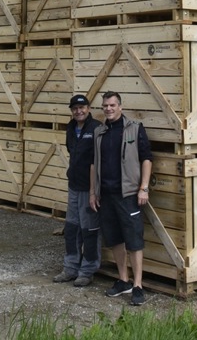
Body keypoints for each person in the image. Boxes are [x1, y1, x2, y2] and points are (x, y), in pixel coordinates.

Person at [89, 91, 153, 306]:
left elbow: (146, 159)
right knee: (115, 239)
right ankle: (123, 280)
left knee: (134, 240)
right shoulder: (99, 132)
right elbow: (93, 164)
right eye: (105, 105)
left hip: (128, 195)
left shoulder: (134, 128)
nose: (108, 109)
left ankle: (137, 285)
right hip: (105, 194)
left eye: (112, 105)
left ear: (120, 107)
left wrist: (143, 188)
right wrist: (93, 192)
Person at [52, 94, 101, 287]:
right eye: (75, 109)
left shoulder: (96, 128)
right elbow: (72, 152)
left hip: (89, 189)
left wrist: (93, 191)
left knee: (90, 230)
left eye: (82, 108)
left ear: (88, 108)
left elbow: (97, 162)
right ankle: (70, 268)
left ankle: (87, 271)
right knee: (72, 228)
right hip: (74, 185)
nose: (78, 111)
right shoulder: (71, 127)